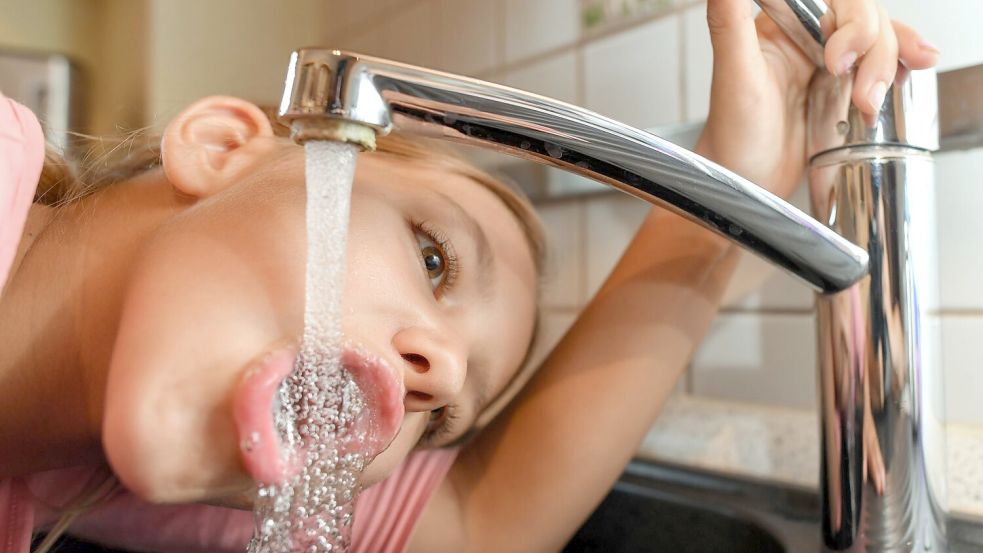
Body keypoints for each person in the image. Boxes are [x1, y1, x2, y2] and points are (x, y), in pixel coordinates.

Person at [0, 0, 939, 551]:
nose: (435, 378)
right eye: (433, 256)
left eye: (444, 417)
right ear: (223, 146)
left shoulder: (78, 462)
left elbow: (480, 519)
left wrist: (737, 166)